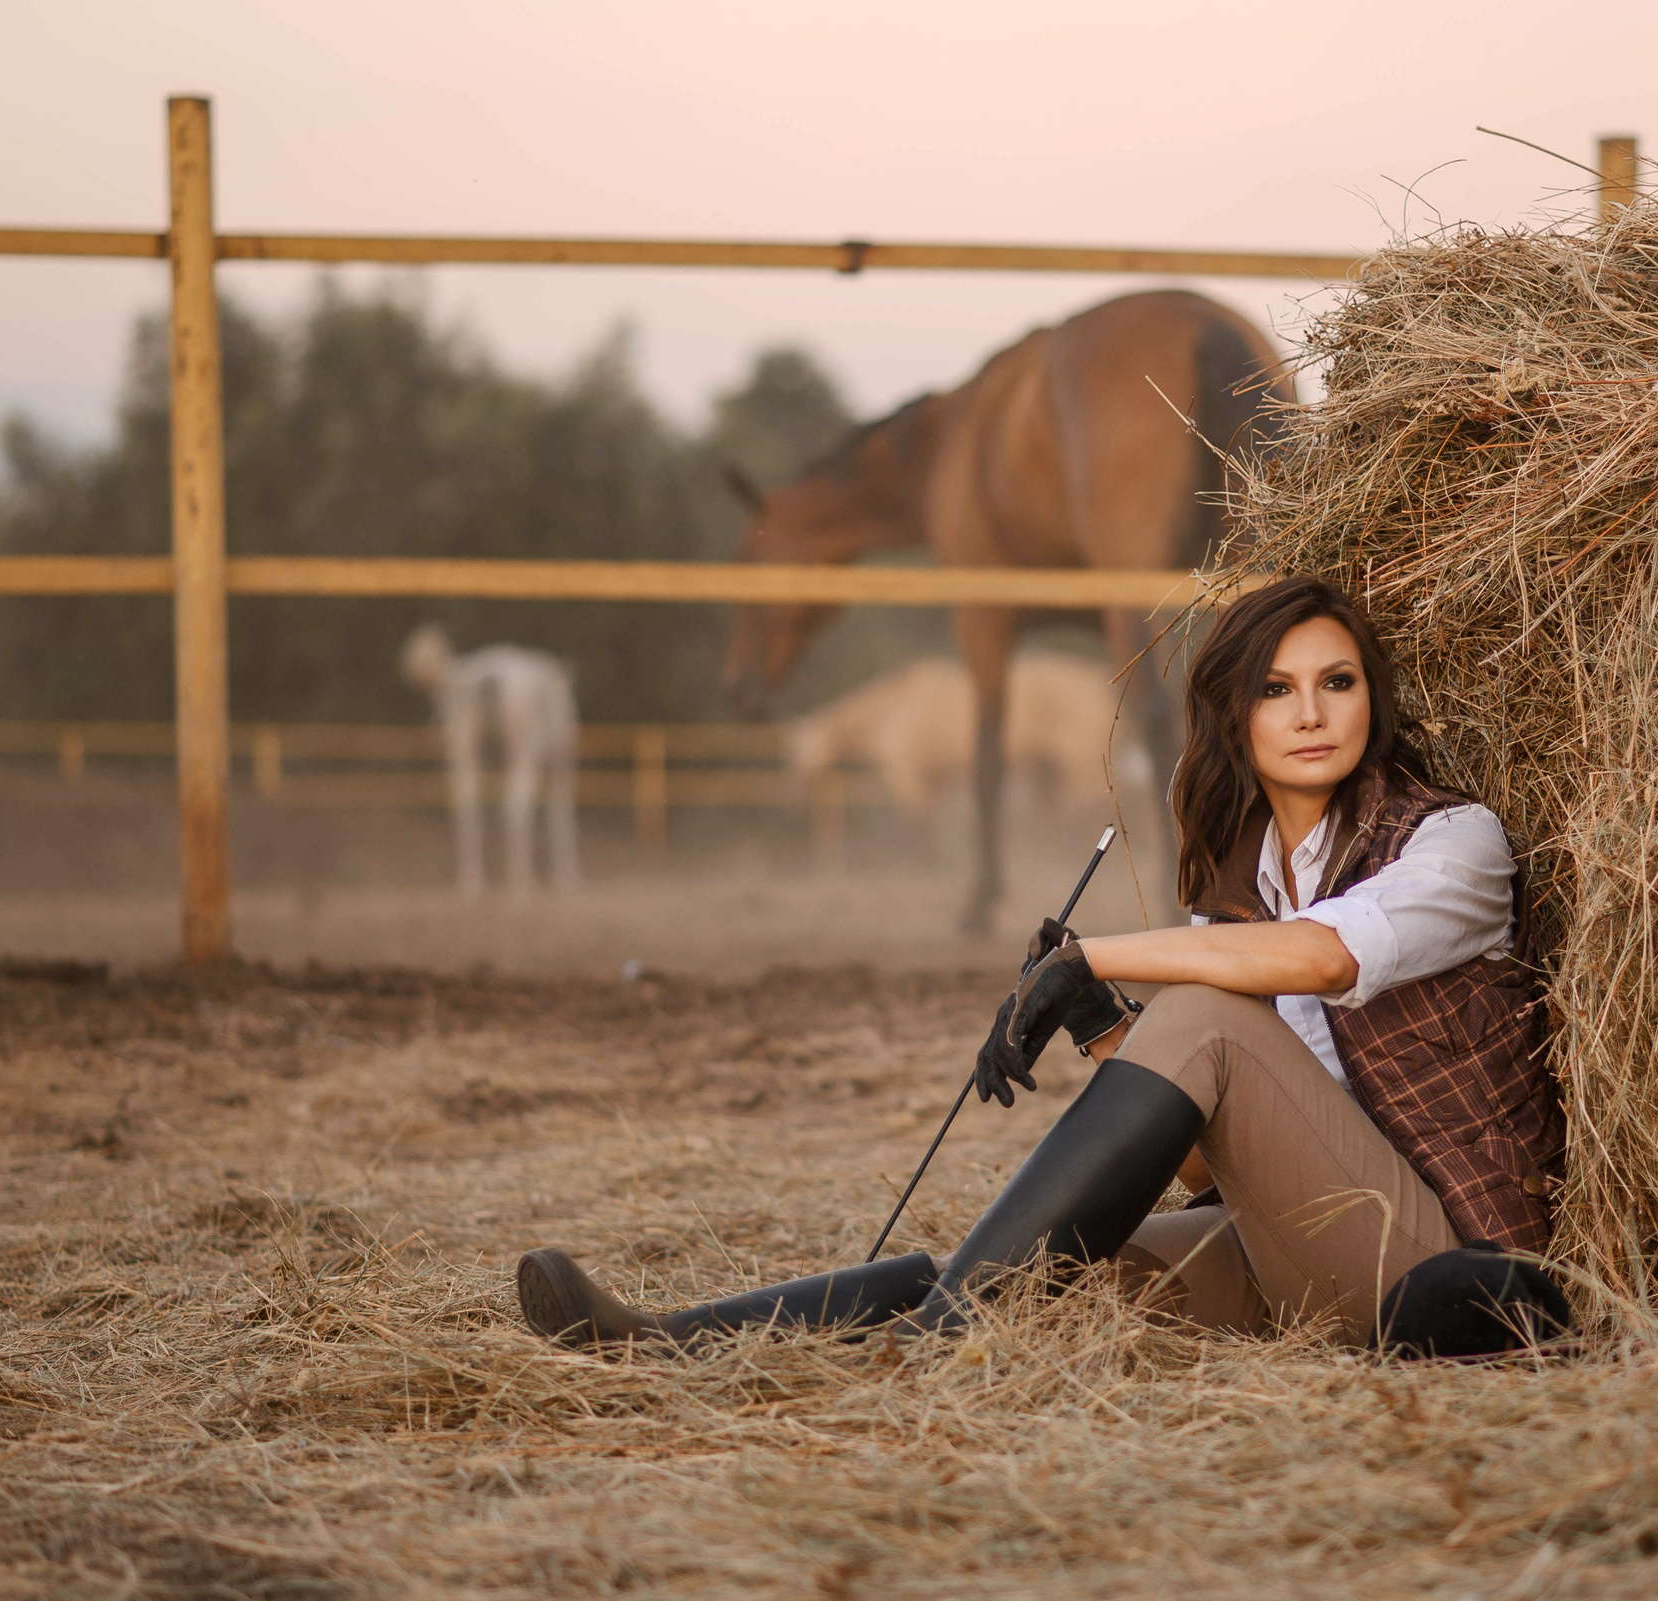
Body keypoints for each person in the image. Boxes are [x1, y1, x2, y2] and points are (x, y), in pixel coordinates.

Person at [515, 577, 1569, 1358]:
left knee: (1206, 1013)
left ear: (1370, 703)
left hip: (1442, 1267)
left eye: (1336, 683)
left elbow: (1328, 954)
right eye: (1275, 688)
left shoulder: (1451, 843)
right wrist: (1098, 1015)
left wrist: (1094, 949)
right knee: (1026, 1275)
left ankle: (928, 1355)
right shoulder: (1237, 895)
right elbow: (1219, 1169)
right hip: (1302, 1250)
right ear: (1234, 716)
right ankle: (658, 1342)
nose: (1308, 712)